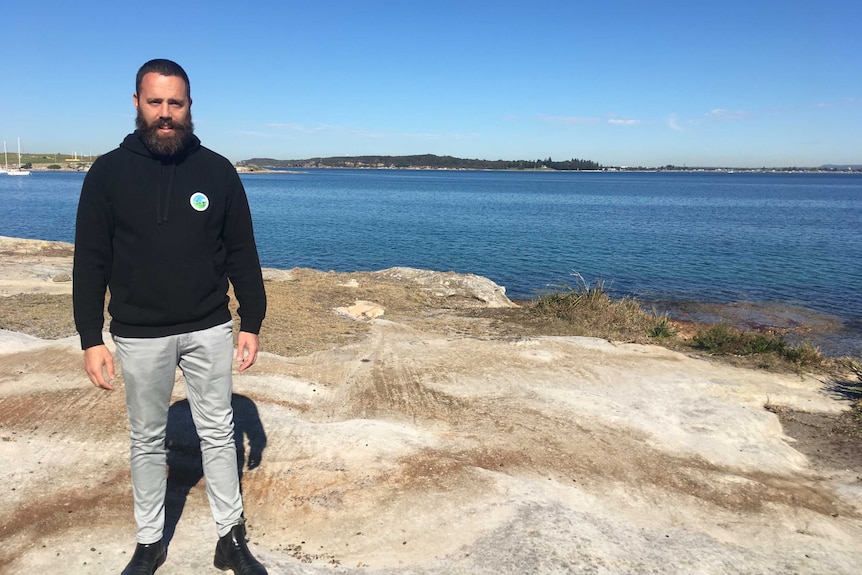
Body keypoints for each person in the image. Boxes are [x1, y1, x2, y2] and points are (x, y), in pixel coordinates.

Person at [73, 58, 268, 575]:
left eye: (175, 103)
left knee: (219, 432)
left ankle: (230, 539)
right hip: (138, 333)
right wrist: (90, 338)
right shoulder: (108, 173)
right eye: (155, 102)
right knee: (146, 438)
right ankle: (149, 541)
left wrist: (251, 321)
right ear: (137, 103)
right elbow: (90, 259)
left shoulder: (217, 170)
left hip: (208, 325)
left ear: (189, 107)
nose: (165, 113)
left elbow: (241, 251)